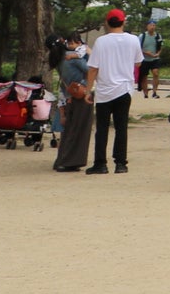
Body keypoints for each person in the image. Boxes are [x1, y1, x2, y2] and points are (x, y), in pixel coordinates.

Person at [84, 10, 143, 174]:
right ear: (123, 22)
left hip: (105, 90)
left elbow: (93, 69)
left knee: (102, 128)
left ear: (107, 22)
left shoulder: (101, 42)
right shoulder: (133, 40)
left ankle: (100, 163)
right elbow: (138, 63)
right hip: (124, 88)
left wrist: (88, 91)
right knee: (121, 127)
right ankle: (121, 163)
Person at [53, 32, 93, 172]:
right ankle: (70, 161)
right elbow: (91, 70)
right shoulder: (73, 58)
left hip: (68, 96)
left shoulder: (58, 60)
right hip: (80, 96)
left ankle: (61, 159)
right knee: (79, 130)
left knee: (68, 130)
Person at [139, 20, 163, 98]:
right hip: (144, 59)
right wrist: (146, 53)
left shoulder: (158, 36)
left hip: (155, 58)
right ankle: (145, 93)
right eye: (151, 25)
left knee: (156, 73)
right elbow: (138, 48)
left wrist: (158, 53)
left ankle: (154, 92)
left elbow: (161, 46)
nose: (152, 27)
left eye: (154, 25)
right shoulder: (142, 36)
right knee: (144, 76)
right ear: (147, 26)